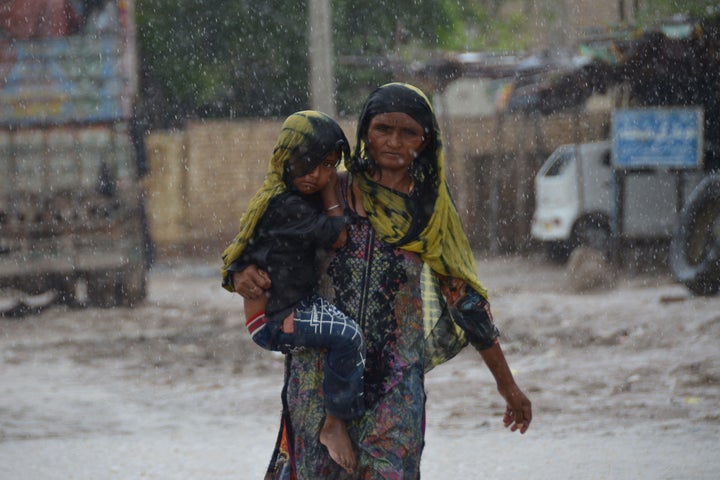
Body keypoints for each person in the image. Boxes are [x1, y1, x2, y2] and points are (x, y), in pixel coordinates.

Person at [230, 83, 532, 479]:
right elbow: (266, 233)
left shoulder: (430, 211)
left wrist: (507, 386)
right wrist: (239, 273)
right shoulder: (328, 188)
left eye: (409, 132)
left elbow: (465, 300)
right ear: (364, 133)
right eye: (382, 129)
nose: (394, 142)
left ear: (425, 141)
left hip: (395, 381)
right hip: (320, 374)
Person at [221, 111, 366, 474]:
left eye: (328, 165)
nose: (316, 175)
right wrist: (332, 187)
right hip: (275, 317)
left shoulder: (279, 195)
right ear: (285, 158)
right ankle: (335, 423)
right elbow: (338, 235)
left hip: (292, 305)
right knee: (348, 337)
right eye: (308, 164)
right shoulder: (287, 205)